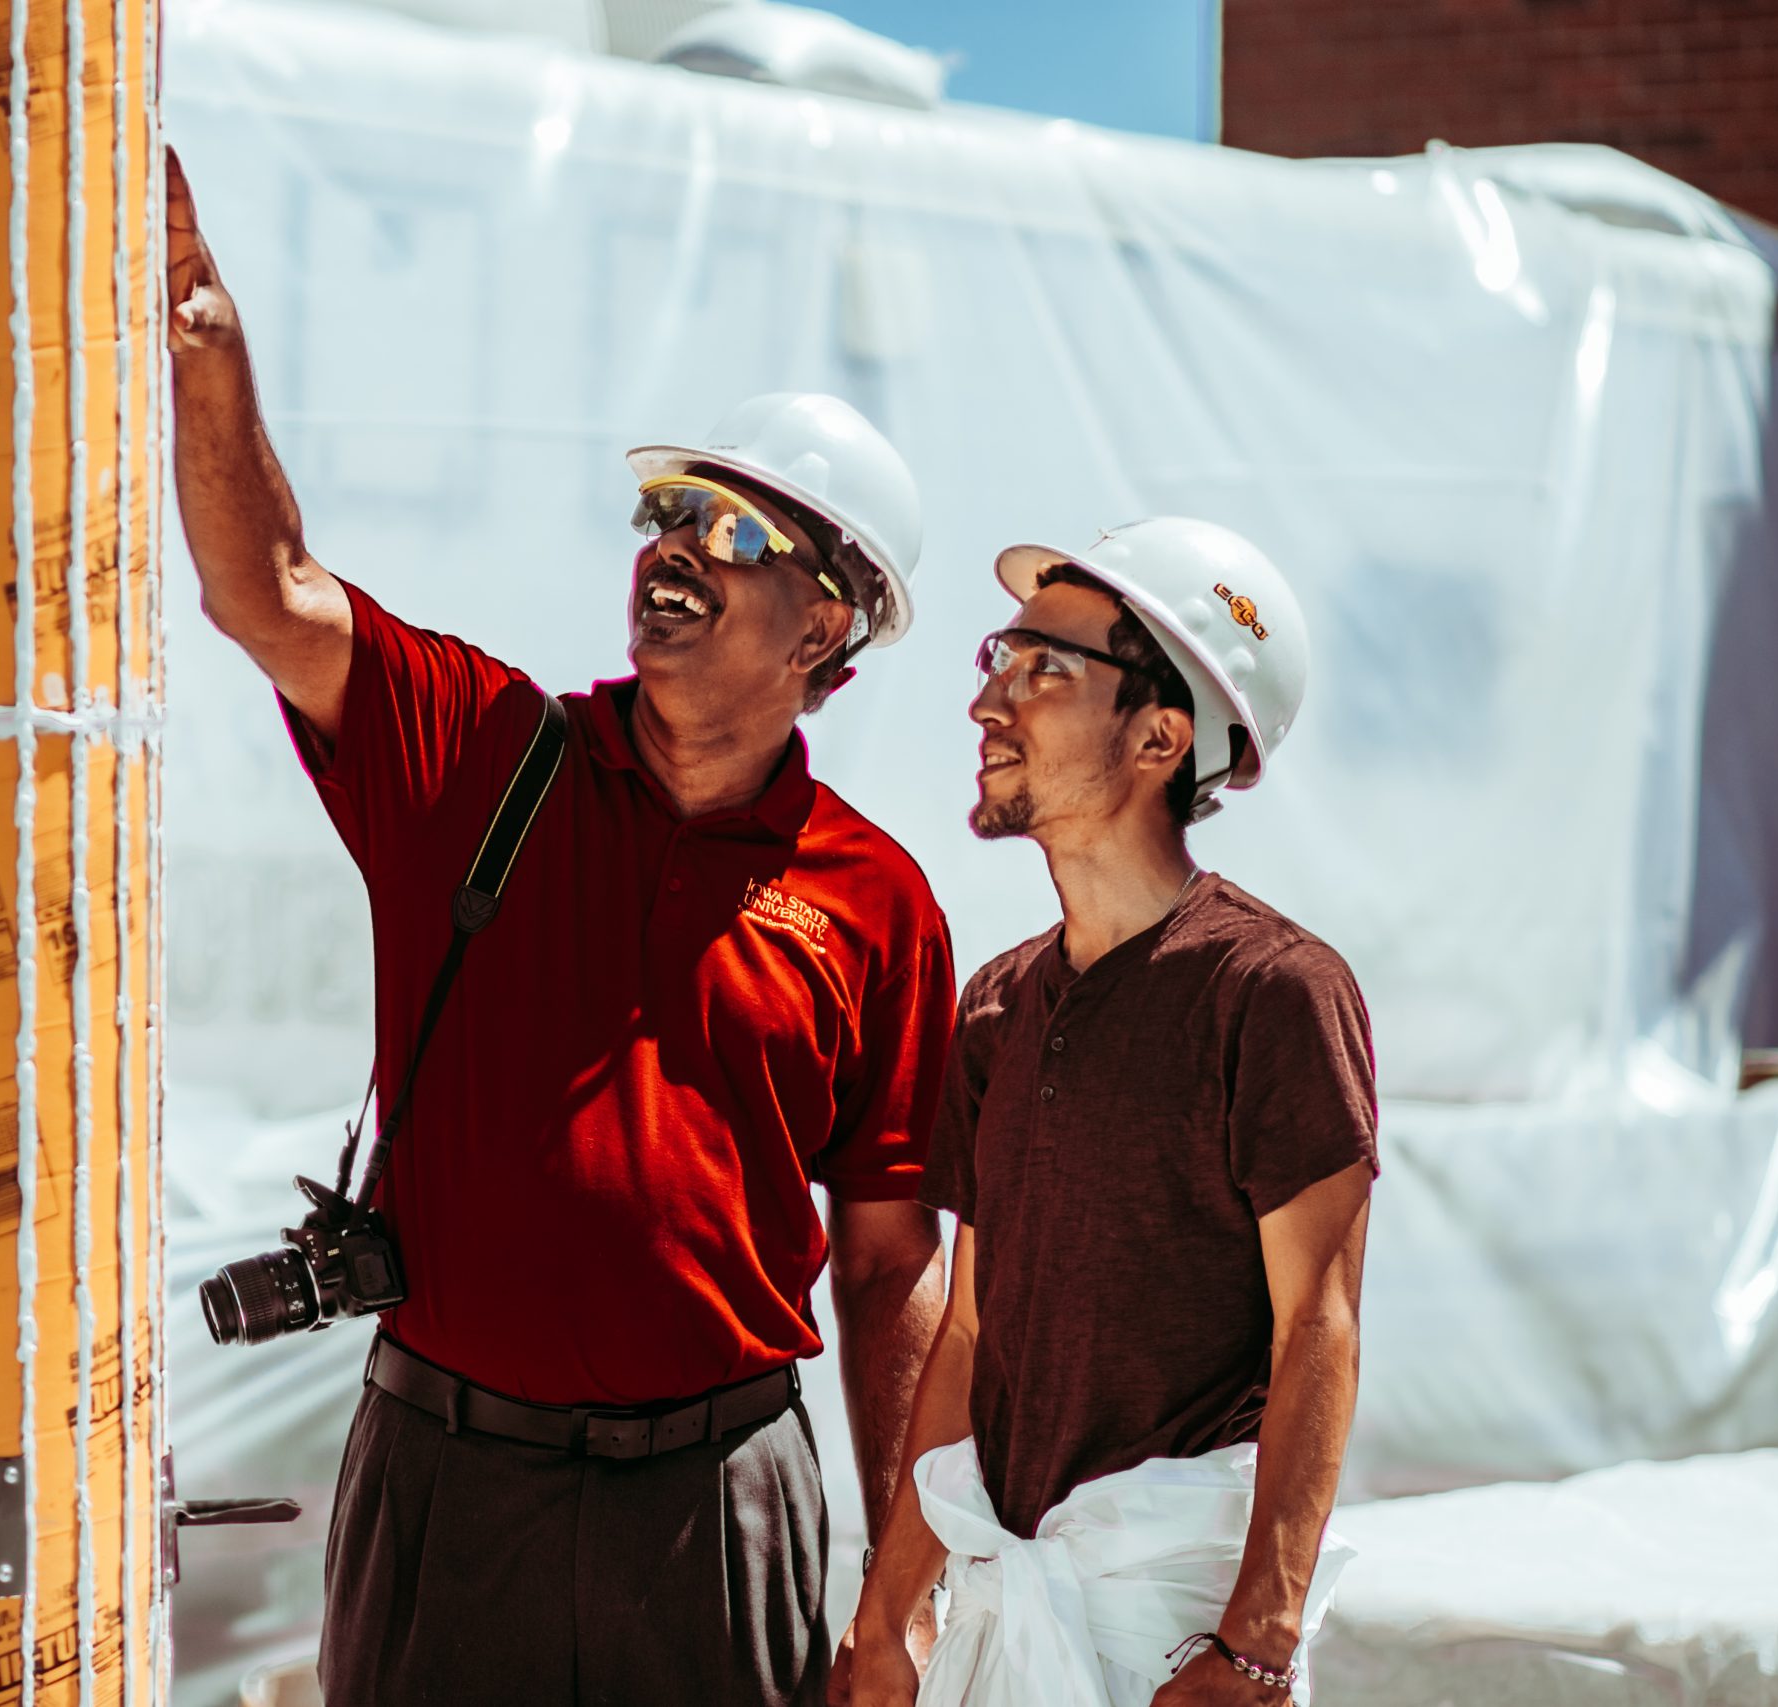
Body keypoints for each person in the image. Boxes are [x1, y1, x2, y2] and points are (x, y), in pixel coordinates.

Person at [166, 149, 957, 1707]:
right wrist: (206, 342)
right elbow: (267, 589)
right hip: (451, 1480)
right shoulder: (483, 753)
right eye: (667, 510)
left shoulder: (878, 899)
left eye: (730, 532)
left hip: (723, 1499)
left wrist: (901, 1583)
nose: (670, 546)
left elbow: (887, 1263)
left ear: (826, 631)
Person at [845, 520, 1378, 1707]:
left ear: (1158, 735)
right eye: (1000, 657)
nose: (991, 697)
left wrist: (1255, 1644)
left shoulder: (1275, 993)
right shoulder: (993, 1008)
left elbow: (1318, 1332)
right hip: (1009, 1608)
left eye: (1044, 668)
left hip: (1173, 1630)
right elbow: (972, 1339)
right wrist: (887, 1612)